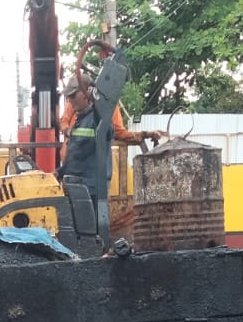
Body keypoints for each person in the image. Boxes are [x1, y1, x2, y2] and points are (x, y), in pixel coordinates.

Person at [57, 66, 164, 242]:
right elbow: (75, 152)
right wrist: (60, 172)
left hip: (91, 186)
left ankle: (100, 254)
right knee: (80, 233)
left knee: (92, 233)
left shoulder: (100, 118)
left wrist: (143, 134)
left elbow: (114, 129)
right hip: (75, 181)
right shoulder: (80, 119)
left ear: (87, 93)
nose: (69, 100)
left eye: (72, 95)